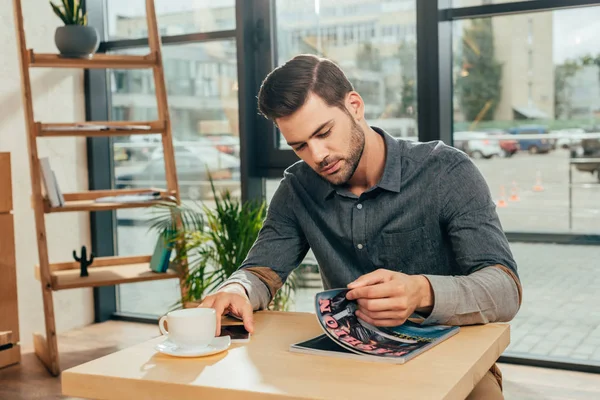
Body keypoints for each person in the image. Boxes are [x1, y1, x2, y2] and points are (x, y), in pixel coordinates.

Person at [199, 54, 522, 399]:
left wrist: (421, 292)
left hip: (453, 361)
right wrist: (237, 289)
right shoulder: (297, 189)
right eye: (300, 146)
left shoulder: (446, 172)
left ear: (354, 105)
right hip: (346, 362)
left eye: (323, 132)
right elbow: (261, 272)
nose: (317, 155)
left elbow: (505, 289)